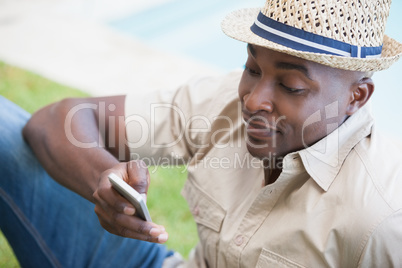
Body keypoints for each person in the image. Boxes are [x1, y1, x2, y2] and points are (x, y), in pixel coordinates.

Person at [1, 0, 402, 267]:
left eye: (290, 87)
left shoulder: (381, 217)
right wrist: (102, 177)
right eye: (253, 68)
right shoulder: (224, 100)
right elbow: (59, 119)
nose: (252, 100)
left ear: (357, 96)